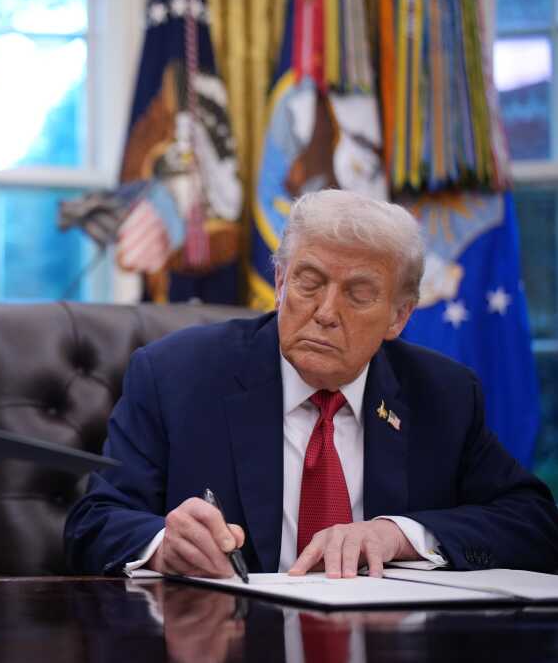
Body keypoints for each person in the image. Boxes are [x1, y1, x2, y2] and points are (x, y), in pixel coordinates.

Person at [64, 189, 558, 580]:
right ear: (280, 283)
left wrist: (401, 536)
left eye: (359, 294)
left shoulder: (442, 395)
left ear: (399, 317)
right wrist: (163, 546)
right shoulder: (176, 375)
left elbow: (533, 522)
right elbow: (95, 523)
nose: (325, 313)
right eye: (309, 282)